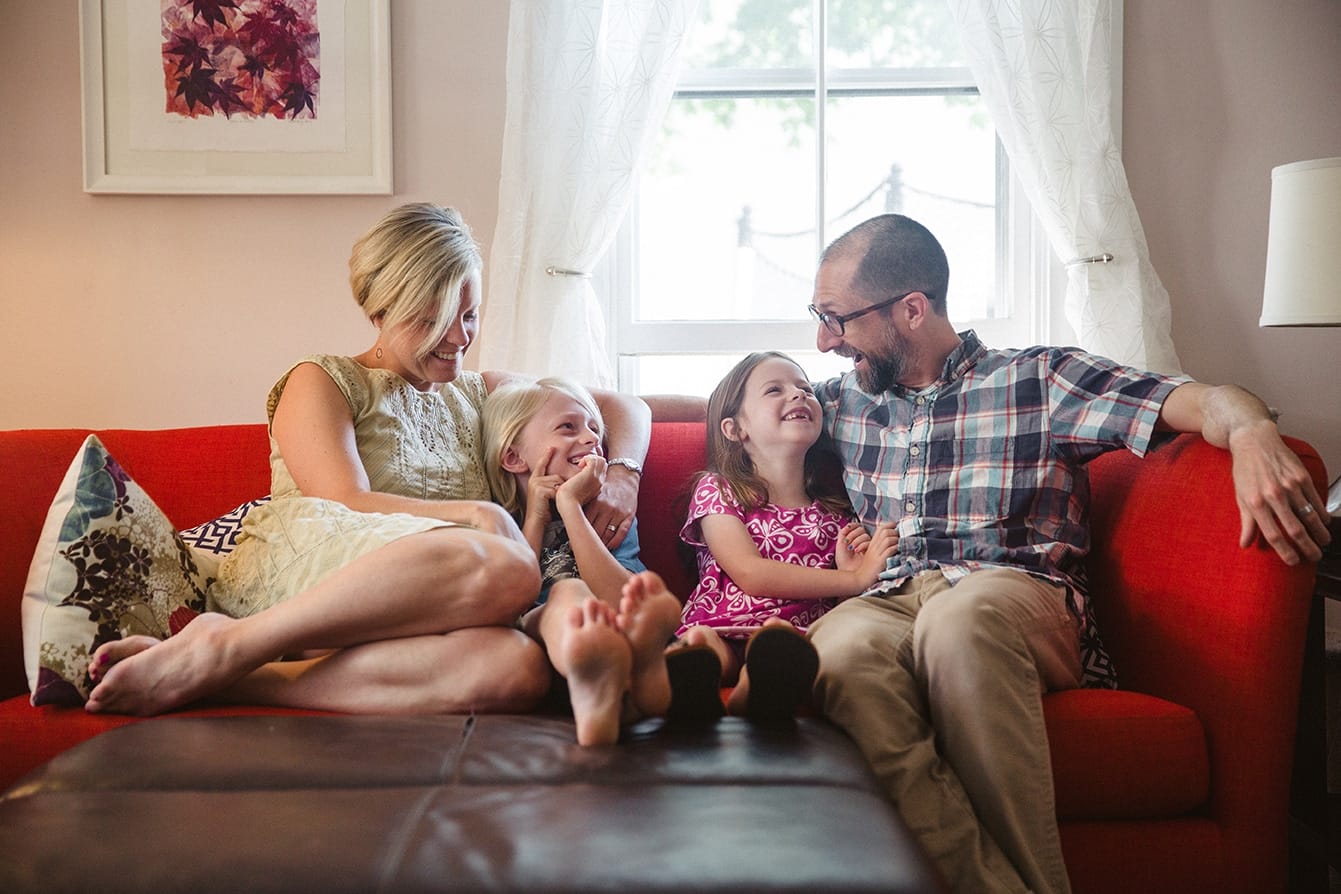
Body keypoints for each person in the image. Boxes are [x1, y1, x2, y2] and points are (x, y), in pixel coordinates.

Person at [801, 213, 1332, 894]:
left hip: (1012, 593)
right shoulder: (844, 401)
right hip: (890, 597)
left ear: (910, 309)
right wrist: (625, 453)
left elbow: (1205, 401)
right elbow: (711, 409)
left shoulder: (1041, 379)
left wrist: (1255, 434)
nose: (823, 341)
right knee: (833, 654)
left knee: (960, 621)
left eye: (835, 318)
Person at [82, 202, 654, 725]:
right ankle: (240, 641)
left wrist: (624, 472)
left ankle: (221, 671)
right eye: (437, 319)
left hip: (437, 607)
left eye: (471, 315)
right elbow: (344, 502)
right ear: (385, 308)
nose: (460, 337)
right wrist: (481, 515)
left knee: (516, 670)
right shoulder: (324, 380)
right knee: (509, 565)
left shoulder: (480, 392)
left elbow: (623, 405)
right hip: (325, 583)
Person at [670, 351, 899, 723]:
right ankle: (697, 682)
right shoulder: (719, 489)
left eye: (805, 388)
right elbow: (749, 572)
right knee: (700, 647)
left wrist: (848, 583)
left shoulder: (836, 513)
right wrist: (854, 578)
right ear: (734, 429)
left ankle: (755, 688)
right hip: (720, 626)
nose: (798, 395)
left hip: (799, 639)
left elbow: (837, 609)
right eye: (774, 389)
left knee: (783, 646)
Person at [481, 376, 682, 744]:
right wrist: (536, 519)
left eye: (594, 429)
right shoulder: (499, 518)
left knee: (636, 598)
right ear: (513, 456)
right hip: (551, 642)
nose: (591, 439)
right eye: (568, 428)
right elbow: (514, 599)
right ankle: (641, 678)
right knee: (567, 594)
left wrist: (571, 507)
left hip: (619, 613)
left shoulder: (606, 510)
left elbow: (621, 596)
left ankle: (631, 675)